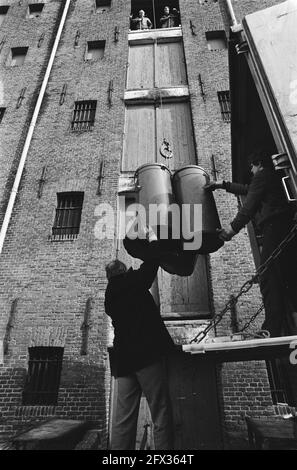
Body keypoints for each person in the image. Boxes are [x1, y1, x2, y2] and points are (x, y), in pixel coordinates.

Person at [205, 148, 297, 337]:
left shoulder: (263, 176)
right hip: (286, 228)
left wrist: (230, 231)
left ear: (258, 164)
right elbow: (248, 190)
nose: (252, 172)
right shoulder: (272, 178)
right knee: (287, 275)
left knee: (268, 276)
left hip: (275, 227)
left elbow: (249, 206)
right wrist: (222, 184)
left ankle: (271, 329)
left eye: (252, 168)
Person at [104, 256, 175, 450]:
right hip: (146, 356)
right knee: (160, 411)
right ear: (124, 271)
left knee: (123, 418)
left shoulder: (110, 294)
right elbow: (152, 263)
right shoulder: (132, 282)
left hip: (124, 361)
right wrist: (152, 241)